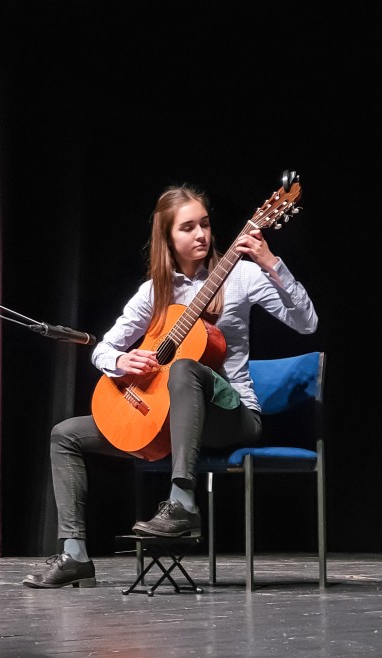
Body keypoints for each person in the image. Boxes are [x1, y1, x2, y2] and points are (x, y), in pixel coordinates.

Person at [23, 183, 318, 588]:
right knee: (65, 434)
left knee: (183, 369)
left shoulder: (243, 275)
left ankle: (182, 502)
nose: (201, 235)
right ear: (167, 237)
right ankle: (74, 555)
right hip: (165, 421)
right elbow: (102, 348)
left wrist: (271, 262)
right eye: (188, 227)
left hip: (231, 416)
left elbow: (307, 323)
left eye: (205, 224)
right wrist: (121, 361)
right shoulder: (155, 292)